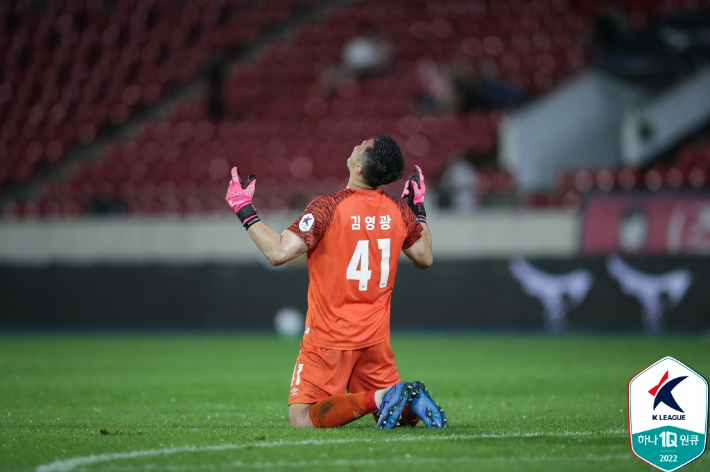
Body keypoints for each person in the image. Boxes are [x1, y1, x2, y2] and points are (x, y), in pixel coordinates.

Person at [225, 135, 447, 429]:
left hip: (329, 338)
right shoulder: (399, 211)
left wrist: (243, 208)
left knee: (302, 419)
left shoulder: (327, 208)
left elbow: (278, 253)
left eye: (362, 145)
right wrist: (418, 207)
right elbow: (424, 257)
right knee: (398, 420)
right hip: (375, 339)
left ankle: (382, 398)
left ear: (357, 166)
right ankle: (405, 401)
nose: (357, 143)